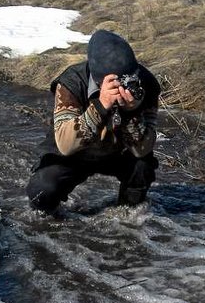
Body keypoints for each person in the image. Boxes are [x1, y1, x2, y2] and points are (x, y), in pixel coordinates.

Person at [26, 30, 160, 214]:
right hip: (75, 154)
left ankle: (127, 215)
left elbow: (142, 149)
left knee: (142, 167)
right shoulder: (71, 83)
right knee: (42, 191)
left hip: (118, 153)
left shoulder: (147, 85)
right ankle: (48, 223)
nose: (124, 85)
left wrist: (131, 112)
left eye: (129, 78)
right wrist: (101, 105)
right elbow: (66, 145)